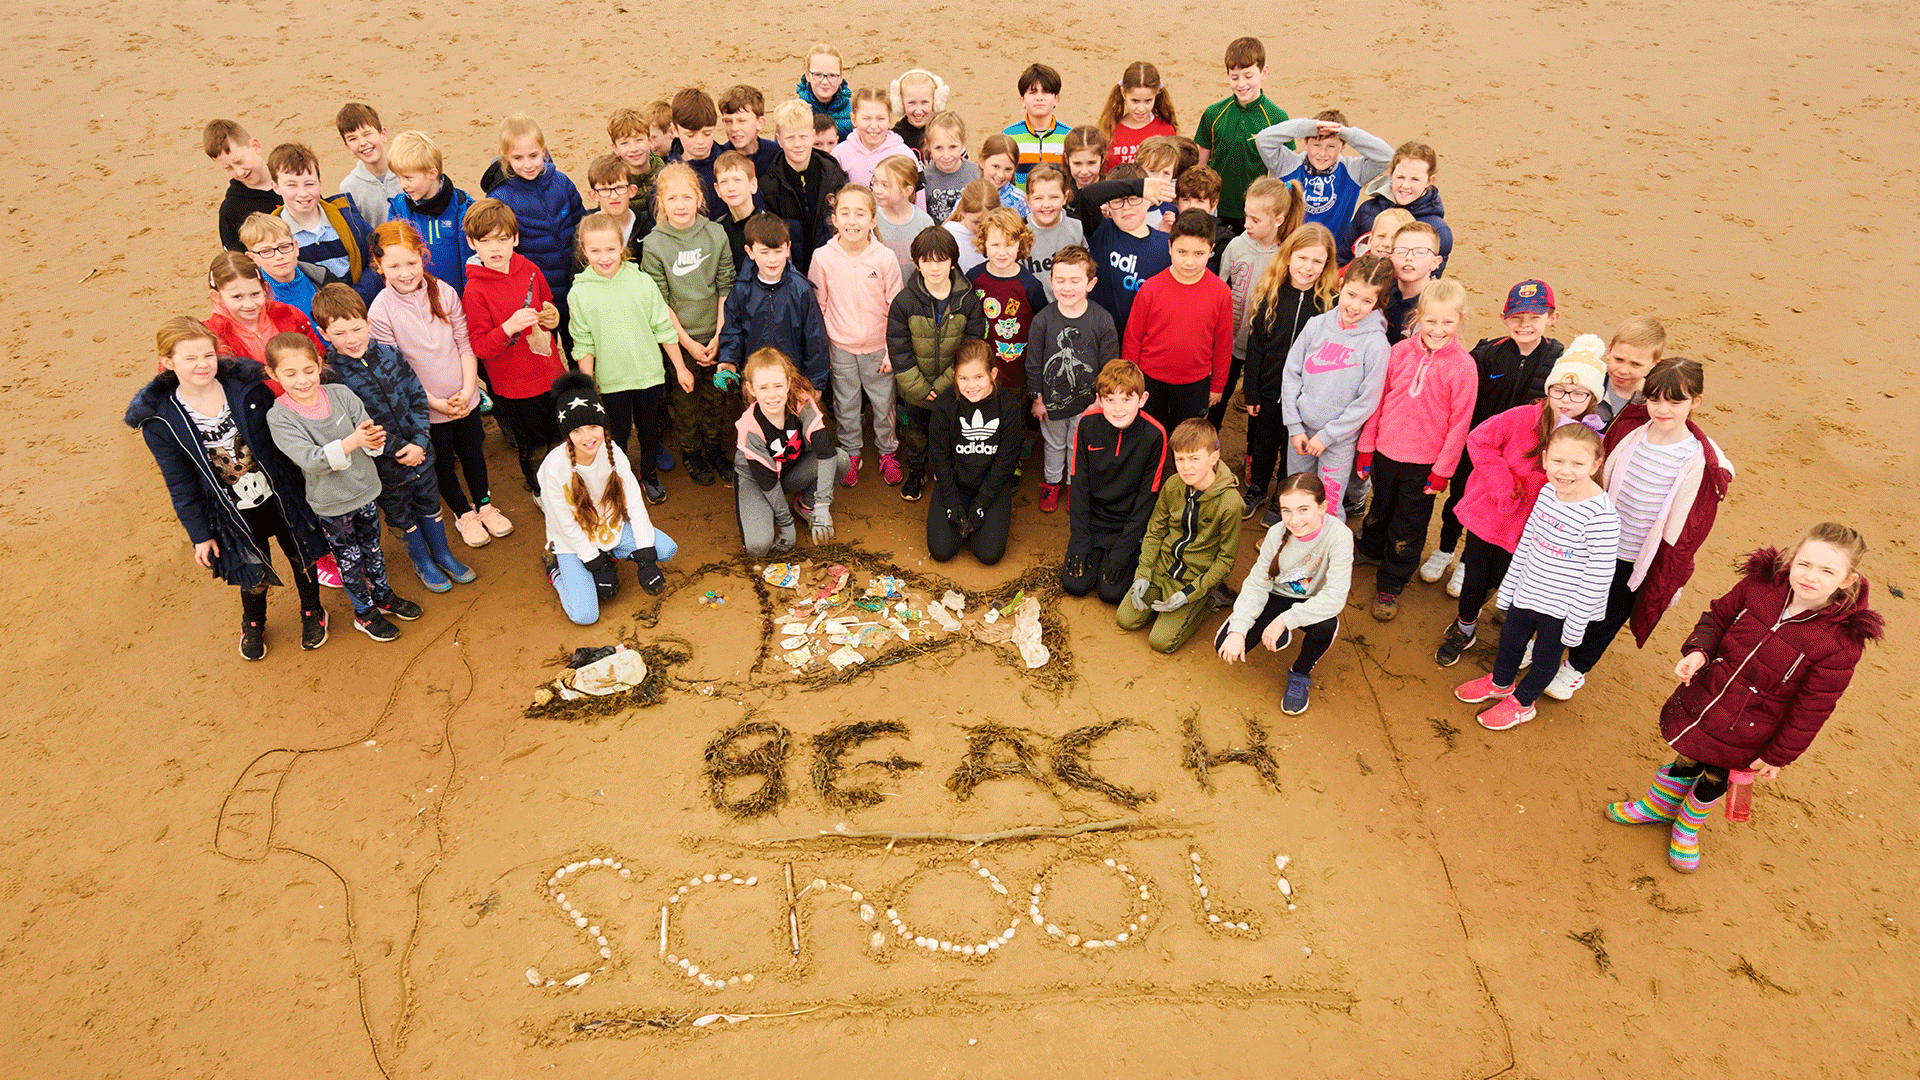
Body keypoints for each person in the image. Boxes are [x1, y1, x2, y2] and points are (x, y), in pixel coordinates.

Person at [1606, 523, 1882, 873]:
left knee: (1717, 774)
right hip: (1708, 696)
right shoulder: (1759, 587)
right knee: (1688, 752)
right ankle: (1659, 805)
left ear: (1847, 580)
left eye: (1827, 571)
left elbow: (1813, 708)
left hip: (1752, 726)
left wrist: (1778, 755)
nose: (1810, 577)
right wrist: (1699, 652)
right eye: (1805, 564)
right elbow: (1717, 618)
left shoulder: (1840, 643)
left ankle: (1688, 826)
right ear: (1792, 559)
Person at [127, 318, 328, 659]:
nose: (202, 365)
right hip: (228, 510)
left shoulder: (247, 386)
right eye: (190, 358)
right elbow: (179, 482)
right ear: (167, 362)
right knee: (250, 564)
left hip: (280, 492)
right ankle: (253, 621)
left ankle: (312, 609)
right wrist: (199, 534)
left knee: (301, 551)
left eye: (208, 354)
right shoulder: (160, 421)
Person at [1546, 357, 1735, 699]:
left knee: (1608, 615)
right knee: (1568, 597)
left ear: (1696, 401)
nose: (1663, 409)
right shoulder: (1629, 433)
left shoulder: (1698, 461)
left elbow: (1686, 531)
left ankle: (1575, 668)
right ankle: (1545, 646)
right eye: (1654, 399)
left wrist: (1671, 578)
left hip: (1635, 558)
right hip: (1595, 541)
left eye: (1675, 401)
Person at [1432, 336, 1605, 667]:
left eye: (1579, 393)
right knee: (1474, 579)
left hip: (1534, 530)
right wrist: (1502, 482)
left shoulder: (1588, 437)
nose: (1566, 400)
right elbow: (1480, 439)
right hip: (1492, 515)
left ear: (1592, 398)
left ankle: (1509, 628)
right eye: (1559, 390)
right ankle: (1464, 626)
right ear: (1549, 388)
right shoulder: (1523, 416)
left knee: (1506, 582)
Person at [312, 283, 475, 594]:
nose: (352, 339)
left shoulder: (390, 353)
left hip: (420, 452)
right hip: (384, 467)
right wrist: (401, 449)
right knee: (401, 513)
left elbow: (416, 395)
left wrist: (420, 440)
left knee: (429, 502)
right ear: (324, 333)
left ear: (368, 323)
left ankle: (443, 554)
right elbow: (354, 427)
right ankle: (423, 561)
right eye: (340, 333)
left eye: (357, 329)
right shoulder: (331, 377)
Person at [1454, 423, 1618, 730]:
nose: (1565, 472)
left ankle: (1524, 701)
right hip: (1528, 591)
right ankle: (1501, 683)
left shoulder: (1602, 517)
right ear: (1544, 459)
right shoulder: (1546, 493)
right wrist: (1510, 588)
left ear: (1596, 465)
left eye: (1577, 464)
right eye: (1557, 461)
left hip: (1563, 607)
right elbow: (1529, 541)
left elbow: (1599, 576)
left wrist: (1576, 622)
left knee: (1545, 657)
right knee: (1510, 640)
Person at [263, 334, 423, 642]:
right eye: (290, 373)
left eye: (309, 370)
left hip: (365, 490)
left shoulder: (341, 394)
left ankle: (383, 596)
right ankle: (364, 613)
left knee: (373, 548)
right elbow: (310, 460)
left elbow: (369, 435)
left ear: (320, 365)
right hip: (332, 503)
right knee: (349, 559)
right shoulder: (280, 417)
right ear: (273, 374)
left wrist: (373, 440)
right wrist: (354, 441)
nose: (302, 380)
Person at [366, 221, 505, 545]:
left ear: (422, 256)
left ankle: (484, 505)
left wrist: (468, 391)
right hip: (426, 408)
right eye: (394, 265)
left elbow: (464, 344)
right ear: (379, 265)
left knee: (472, 451)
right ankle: (463, 513)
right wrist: (434, 402)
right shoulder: (381, 312)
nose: (405, 272)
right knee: (442, 459)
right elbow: (397, 372)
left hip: (463, 397)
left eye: (411, 262)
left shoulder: (444, 292)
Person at [1427, 279, 1568, 594]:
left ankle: (1466, 561)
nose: (1525, 325)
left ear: (1552, 318)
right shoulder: (1487, 353)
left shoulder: (1558, 362)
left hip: (1519, 458)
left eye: (1535, 317)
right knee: (1460, 496)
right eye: (1517, 317)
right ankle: (1445, 549)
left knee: (1496, 508)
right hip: (1478, 447)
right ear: (1505, 317)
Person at [1355, 279, 1477, 621]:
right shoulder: (1398, 352)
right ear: (1417, 317)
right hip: (1384, 451)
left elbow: (1459, 425)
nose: (1438, 330)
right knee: (1380, 505)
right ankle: (1370, 547)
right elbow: (1378, 401)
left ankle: (1392, 581)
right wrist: (1366, 447)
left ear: (1460, 320)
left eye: (1447, 322)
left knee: (1409, 524)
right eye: (1431, 321)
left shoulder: (1464, 367)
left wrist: (1443, 471)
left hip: (1425, 463)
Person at [539, 371, 677, 625]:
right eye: (577, 430)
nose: (588, 437)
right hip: (573, 541)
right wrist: (594, 563)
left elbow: (635, 505)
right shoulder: (553, 468)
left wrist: (646, 557)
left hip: (609, 528)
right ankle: (556, 570)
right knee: (586, 615)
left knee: (666, 549)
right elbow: (566, 525)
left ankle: (612, 554)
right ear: (567, 433)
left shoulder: (613, 453)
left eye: (593, 426)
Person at [571, 212, 689, 506]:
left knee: (650, 429)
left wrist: (681, 367)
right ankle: (620, 478)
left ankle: (648, 473)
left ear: (621, 245)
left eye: (611, 249)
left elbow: (663, 326)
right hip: (612, 381)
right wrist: (589, 386)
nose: (604, 257)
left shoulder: (641, 281)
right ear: (584, 250)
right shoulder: (580, 292)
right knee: (618, 434)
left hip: (648, 373)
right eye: (595, 251)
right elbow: (583, 341)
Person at [1216, 472, 1352, 714]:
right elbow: (1258, 584)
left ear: (1323, 507)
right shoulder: (1276, 533)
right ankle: (1276, 634)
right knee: (1225, 646)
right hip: (1275, 596)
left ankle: (1300, 673)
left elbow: (1335, 596)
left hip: (1311, 600)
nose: (1294, 519)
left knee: (1325, 626)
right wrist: (1238, 629)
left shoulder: (1340, 536)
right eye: (1286, 510)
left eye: (1303, 509)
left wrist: (1284, 621)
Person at [641, 163, 739, 487]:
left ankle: (713, 448)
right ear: (661, 202)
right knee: (685, 402)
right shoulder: (655, 244)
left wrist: (718, 336)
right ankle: (691, 453)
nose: (680, 205)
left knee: (716, 399)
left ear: (699, 198)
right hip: (679, 340)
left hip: (715, 335)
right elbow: (660, 301)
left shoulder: (715, 233)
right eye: (672, 198)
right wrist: (688, 344)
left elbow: (726, 286)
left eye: (687, 197)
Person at [459, 198, 565, 495]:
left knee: (559, 437)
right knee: (533, 447)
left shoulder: (530, 269)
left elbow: (547, 311)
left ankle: (565, 486)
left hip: (550, 375)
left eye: (503, 239)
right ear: (471, 243)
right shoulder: (475, 290)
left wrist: (552, 317)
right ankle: (539, 491)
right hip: (515, 386)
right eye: (486, 240)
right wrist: (508, 327)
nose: (495, 248)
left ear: (515, 239)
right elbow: (480, 346)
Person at [1242, 223, 1342, 521]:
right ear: (1288, 256)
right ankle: (1257, 488)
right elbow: (1256, 347)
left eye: (1317, 261)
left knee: (1293, 454)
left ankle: (1281, 499)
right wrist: (1251, 390)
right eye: (1302, 258)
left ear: (1326, 265)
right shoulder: (1270, 293)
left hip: (1304, 401)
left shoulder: (1329, 304)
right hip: (1269, 392)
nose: (1308, 267)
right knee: (1261, 445)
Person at [809, 184, 906, 487]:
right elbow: (819, 308)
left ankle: (888, 452)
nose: (853, 220)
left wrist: (891, 351)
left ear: (873, 220)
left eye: (860, 213)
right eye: (845, 213)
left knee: (883, 404)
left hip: (879, 348)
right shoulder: (823, 257)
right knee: (846, 405)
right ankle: (851, 453)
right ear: (834, 219)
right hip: (841, 348)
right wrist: (825, 352)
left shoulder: (885, 258)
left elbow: (895, 307)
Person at [1118, 418, 1243, 653]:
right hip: (1162, 569)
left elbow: (1226, 560)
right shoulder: (1174, 485)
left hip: (1193, 579)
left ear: (1213, 458)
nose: (1186, 467)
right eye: (1179, 459)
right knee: (1125, 619)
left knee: (1161, 642)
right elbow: (1155, 531)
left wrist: (1189, 595)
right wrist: (1143, 573)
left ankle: (1209, 599)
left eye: (1194, 458)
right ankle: (1165, 596)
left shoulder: (1230, 503)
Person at [887, 226, 986, 502]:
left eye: (941, 259)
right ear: (917, 263)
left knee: (951, 433)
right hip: (915, 392)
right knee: (916, 435)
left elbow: (973, 345)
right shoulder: (904, 302)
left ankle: (945, 471)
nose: (934, 267)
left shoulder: (967, 300)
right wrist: (919, 387)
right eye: (927, 260)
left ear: (953, 261)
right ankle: (916, 471)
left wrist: (946, 384)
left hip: (954, 390)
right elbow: (898, 347)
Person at [1062, 360, 1167, 603]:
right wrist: (1079, 540)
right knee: (1075, 585)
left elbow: (1146, 498)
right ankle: (1092, 549)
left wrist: (1123, 551)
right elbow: (1079, 485)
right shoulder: (1087, 424)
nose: (1118, 409)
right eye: (1110, 400)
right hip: (1093, 522)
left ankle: (1119, 553)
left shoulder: (1154, 435)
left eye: (1127, 399)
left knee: (1111, 593)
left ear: (1142, 399)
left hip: (1126, 527)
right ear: (1099, 399)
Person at [1123, 209, 1233, 433]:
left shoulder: (1221, 292)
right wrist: (1131, 378)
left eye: (1199, 253)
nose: (1190, 261)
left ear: (1211, 251)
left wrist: (1218, 385)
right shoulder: (1151, 288)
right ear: (1170, 247)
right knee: (1149, 434)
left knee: (1187, 438)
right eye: (1182, 252)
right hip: (1150, 379)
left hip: (1195, 384)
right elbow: (1132, 337)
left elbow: (1223, 343)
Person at [733, 347, 848, 557]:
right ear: (751, 389)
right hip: (758, 481)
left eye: (778, 386)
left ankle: (807, 505)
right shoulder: (749, 428)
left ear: (788, 383)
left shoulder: (802, 403)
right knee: (758, 547)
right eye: (763, 388)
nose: (772, 395)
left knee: (840, 460)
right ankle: (771, 514)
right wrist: (786, 524)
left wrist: (822, 504)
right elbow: (768, 483)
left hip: (790, 471)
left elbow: (826, 453)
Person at [1028, 247, 1117, 513]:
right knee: (1054, 444)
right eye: (1060, 280)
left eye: (1075, 281)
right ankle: (1052, 483)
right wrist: (1037, 399)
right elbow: (1033, 362)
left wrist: (1101, 401)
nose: (1067, 288)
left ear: (1091, 284)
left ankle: (1073, 485)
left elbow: (1109, 366)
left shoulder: (1102, 320)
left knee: (1078, 446)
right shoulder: (1043, 320)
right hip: (1052, 403)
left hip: (1088, 403)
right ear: (1051, 281)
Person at [488, 114, 585, 353]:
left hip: (574, 286)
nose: (528, 164)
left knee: (580, 349)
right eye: (518, 158)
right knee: (543, 354)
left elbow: (582, 223)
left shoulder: (562, 183)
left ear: (544, 151)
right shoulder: (501, 198)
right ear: (505, 158)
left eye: (533, 156)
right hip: (536, 296)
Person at [1212, 177, 1302, 429]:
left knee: (1257, 404)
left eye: (1255, 220)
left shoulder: (1288, 256)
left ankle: (1251, 455)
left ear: (1279, 220)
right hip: (1230, 341)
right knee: (1218, 399)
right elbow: (1220, 290)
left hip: (1263, 350)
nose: (1246, 224)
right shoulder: (1235, 246)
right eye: (1246, 216)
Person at [928, 341, 1024, 564]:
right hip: (955, 482)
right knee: (941, 551)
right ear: (954, 376)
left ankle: (983, 516)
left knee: (988, 554)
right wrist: (952, 504)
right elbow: (940, 458)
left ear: (993, 373)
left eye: (979, 377)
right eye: (963, 378)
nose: (971, 386)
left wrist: (981, 505)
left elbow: (1005, 462)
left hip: (992, 485)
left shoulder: (1008, 406)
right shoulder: (945, 404)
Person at [718, 213, 833, 393]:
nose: (772, 259)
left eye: (778, 251)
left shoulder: (801, 289)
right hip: (756, 380)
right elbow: (733, 329)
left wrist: (816, 384)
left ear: (788, 248)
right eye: (764, 252)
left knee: (794, 419)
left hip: (794, 379)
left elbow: (815, 338)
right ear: (750, 252)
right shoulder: (742, 290)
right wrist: (728, 360)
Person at [1192, 37, 1287, 233]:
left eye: (1248, 76)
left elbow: (1279, 171)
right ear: (1227, 75)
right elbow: (1201, 164)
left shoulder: (1277, 118)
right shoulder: (1213, 113)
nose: (1241, 84)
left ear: (1264, 72)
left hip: (1255, 213)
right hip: (1216, 209)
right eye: (1234, 78)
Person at [268, 142, 381, 302]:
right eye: (292, 185)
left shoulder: (346, 217)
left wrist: (358, 296)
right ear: (276, 187)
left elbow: (375, 254)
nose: (303, 193)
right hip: (315, 317)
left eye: (309, 184)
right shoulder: (271, 236)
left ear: (320, 183)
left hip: (361, 305)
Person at [1253, 110, 1393, 234]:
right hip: (1290, 251)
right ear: (1306, 143)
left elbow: (1388, 157)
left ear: (1343, 145)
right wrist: (1307, 127)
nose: (1322, 153)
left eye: (1331, 146)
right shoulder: (1287, 165)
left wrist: (1348, 134)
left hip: (1333, 255)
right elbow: (1263, 140)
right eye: (1317, 145)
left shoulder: (1352, 171)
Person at [760, 100, 851, 275]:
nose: (797, 144)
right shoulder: (770, 185)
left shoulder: (832, 173)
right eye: (789, 138)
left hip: (832, 268)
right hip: (792, 273)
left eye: (803, 137)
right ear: (779, 140)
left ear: (812, 135)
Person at [970, 208, 1048, 406]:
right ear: (984, 244)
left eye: (1009, 244)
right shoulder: (973, 278)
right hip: (981, 371)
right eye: (995, 244)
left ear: (1020, 245)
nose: (1002, 252)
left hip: (1017, 374)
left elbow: (1042, 327)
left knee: (1015, 420)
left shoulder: (1030, 285)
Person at [384, 131, 477, 294]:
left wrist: (470, 297)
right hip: (418, 300)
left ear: (432, 173)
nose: (403, 185)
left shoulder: (463, 207)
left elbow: (471, 259)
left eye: (408, 178)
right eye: (398, 177)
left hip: (458, 298)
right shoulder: (399, 209)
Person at [1086, 163, 1170, 339]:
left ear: (1149, 199)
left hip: (1145, 342)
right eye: (1117, 200)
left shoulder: (1166, 245)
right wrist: (1139, 187)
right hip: (1101, 338)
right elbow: (1087, 196)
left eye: (1134, 198)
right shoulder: (1101, 231)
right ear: (1107, 204)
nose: (1126, 207)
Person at [203, 251, 325, 371]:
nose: (249, 304)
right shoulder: (210, 335)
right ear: (216, 296)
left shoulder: (289, 314)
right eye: (237, 297)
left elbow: (317, 355)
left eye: (255, 294)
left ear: (265, 288)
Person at [1340, 142, 1452, 268]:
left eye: (1415, 179)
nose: (1405, 186)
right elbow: (1343, 256)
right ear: (1391, 174)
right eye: (1400, 177)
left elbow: (1430, 280)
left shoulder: (1438, 230)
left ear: (1429, 181)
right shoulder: (1367, 211)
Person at [239, 212, 333, 328]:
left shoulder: (322, 277)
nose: (279, 256)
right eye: (266, 251)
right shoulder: (253, 303)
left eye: (284, 247)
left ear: (296, 247)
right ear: (252, 258)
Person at [205, 118, 282, 251]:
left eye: (240, 161)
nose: (239, 172)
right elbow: (238, 263)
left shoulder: (292, 180)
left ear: (255, 146)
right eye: (228, 168)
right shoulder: (231, 211)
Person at [1099, 61, 1179, 170]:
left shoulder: (1166, 131)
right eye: (1135, 101)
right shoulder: (1109, 132)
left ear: (1157, 94)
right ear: (1123, 93)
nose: (1141, 109)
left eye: (1148, 101)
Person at [336, 103, 403, 229]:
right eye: (352, 139)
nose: (362, 143)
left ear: (383, 134)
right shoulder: (349, 187)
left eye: (367, 134)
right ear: (347, 147)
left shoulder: (409, 171)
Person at [1020, 164, 1083, 296]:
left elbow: (1086, 269)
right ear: (1028, 201)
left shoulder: (1077, 226)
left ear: (1065, 197)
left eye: (1054, 197)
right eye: (1038, 198)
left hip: (1072, 302)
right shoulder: (1021, 231)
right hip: (1035, 309)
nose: (1046, 205)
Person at [1005, 63, 1071, 186]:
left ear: (1056, 98)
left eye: (1046, 92)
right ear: (1022, 100)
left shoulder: (1068, 136)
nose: (1039, 98)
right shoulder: (1009, 136)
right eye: (1032, 92)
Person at [872, 154, 935, 281]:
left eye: (885, 185)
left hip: (914, 296)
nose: (876, 190)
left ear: (908, 191)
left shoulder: (924, 222)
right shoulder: (872, 221)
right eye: (875, 182)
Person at [833, 87, 912, 187]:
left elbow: (917, 198)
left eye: (880, 118)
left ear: (890, 119)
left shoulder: (904, 154)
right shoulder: (840, 155)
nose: (874, 126)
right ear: (854, 119)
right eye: (866, 118)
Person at [1381, 221, 1444, 345]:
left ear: (1435, 262)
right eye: (1401, 251)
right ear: (1390, 258)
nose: (1409, 257)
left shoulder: (1441, 305)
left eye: (1420, 252)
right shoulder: (1379, 295)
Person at [1596, 314, 1667, 426]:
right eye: (1619, 359)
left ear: (1655, 364)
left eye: (1635, 364)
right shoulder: (1588, 386)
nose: (1623, 371)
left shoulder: (1657, 406)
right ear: (1609, 351)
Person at [919, 110, 980, 224]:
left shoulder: (976, 174)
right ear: (928, 145)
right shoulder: (923, 179)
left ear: (963, 143)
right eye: (938, 148)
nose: (946, 156)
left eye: (952, 147)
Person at [607, 106, 668, 216]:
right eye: (624, 143)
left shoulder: (666, 172)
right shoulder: (610, 183)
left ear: (650, 141)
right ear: (615, 148)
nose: (634, 149)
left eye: (639, 140)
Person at [717, 85, 781, 178]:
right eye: (728, 121)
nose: (734, 128)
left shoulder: (776, 154)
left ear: (760, 123)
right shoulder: (719, 158)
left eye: (742, 121)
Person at [942, 178, 1000, 276]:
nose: (980, 228)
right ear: (962, 211)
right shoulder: (949, 237)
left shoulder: (1000, 234)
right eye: (976, 222)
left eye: (987, 222)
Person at [889, 68, 948, 158]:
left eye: (924, 102)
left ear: (935, 102)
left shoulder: (944, 130)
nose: (918, 111)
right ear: (900, 103)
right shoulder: (894, 137)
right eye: (911, 103)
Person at [797, 43, 853, 138]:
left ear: (840, 78)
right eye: (818, 75)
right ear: (807, 75)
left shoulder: (854, 113)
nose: (825, 82)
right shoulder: (794, 113)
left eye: (832, 75)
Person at [977, 134, 1031, 219]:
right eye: (995, 166)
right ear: (982, 162)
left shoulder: (1020, 201)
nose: (1001, 175)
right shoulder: (969, 195)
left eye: (1008, 169)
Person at [1061, 126, 1110, 196]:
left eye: (1091, 163)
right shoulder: (1060, 191)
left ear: (1103, 158)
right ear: (1066, 158)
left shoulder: (1111, 192)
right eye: (1077, 163)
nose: (1084, 172)